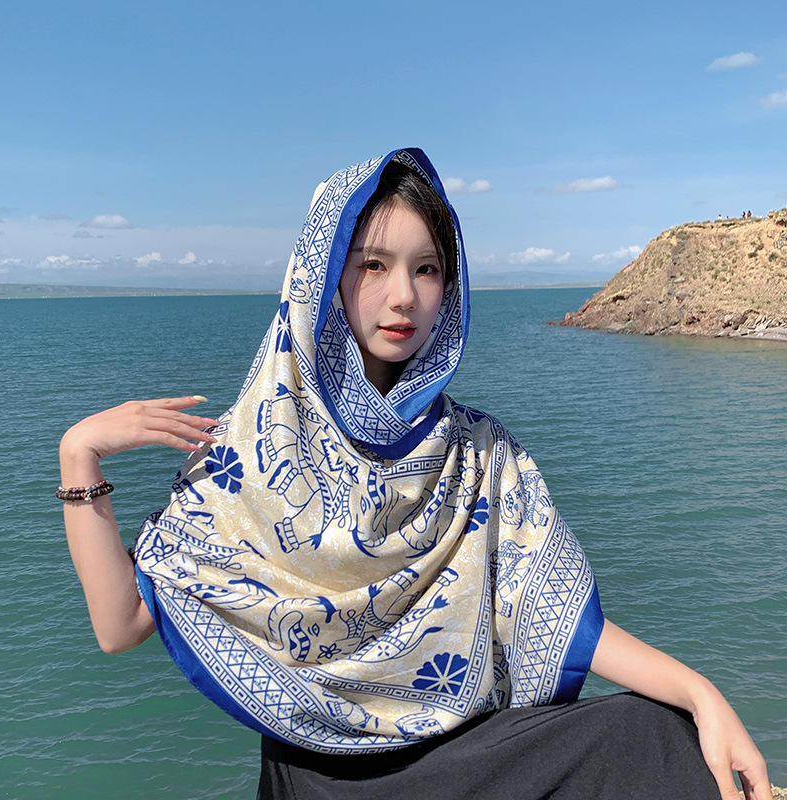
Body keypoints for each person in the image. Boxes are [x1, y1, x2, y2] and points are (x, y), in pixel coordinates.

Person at [59, 148, 771, 800]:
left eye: (426, 268)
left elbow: (554, 617)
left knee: (659, 738)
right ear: (323, 276)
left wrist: (699, 692)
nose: (403, 295)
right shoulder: (247, 456)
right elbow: (121, 625)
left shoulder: (478, 452)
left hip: (467, 761)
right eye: (372, 264)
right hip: (321, 780)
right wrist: (78, 454)